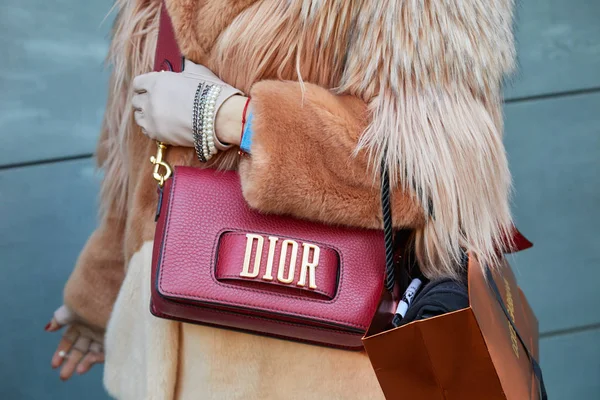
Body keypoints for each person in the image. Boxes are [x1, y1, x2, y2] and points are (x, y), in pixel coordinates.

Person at [45, 0, 517, 398]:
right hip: (159, 335)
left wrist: (231, 119)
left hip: (310, 356)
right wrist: (102, 292)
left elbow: (432, 177)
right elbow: (142, 161)